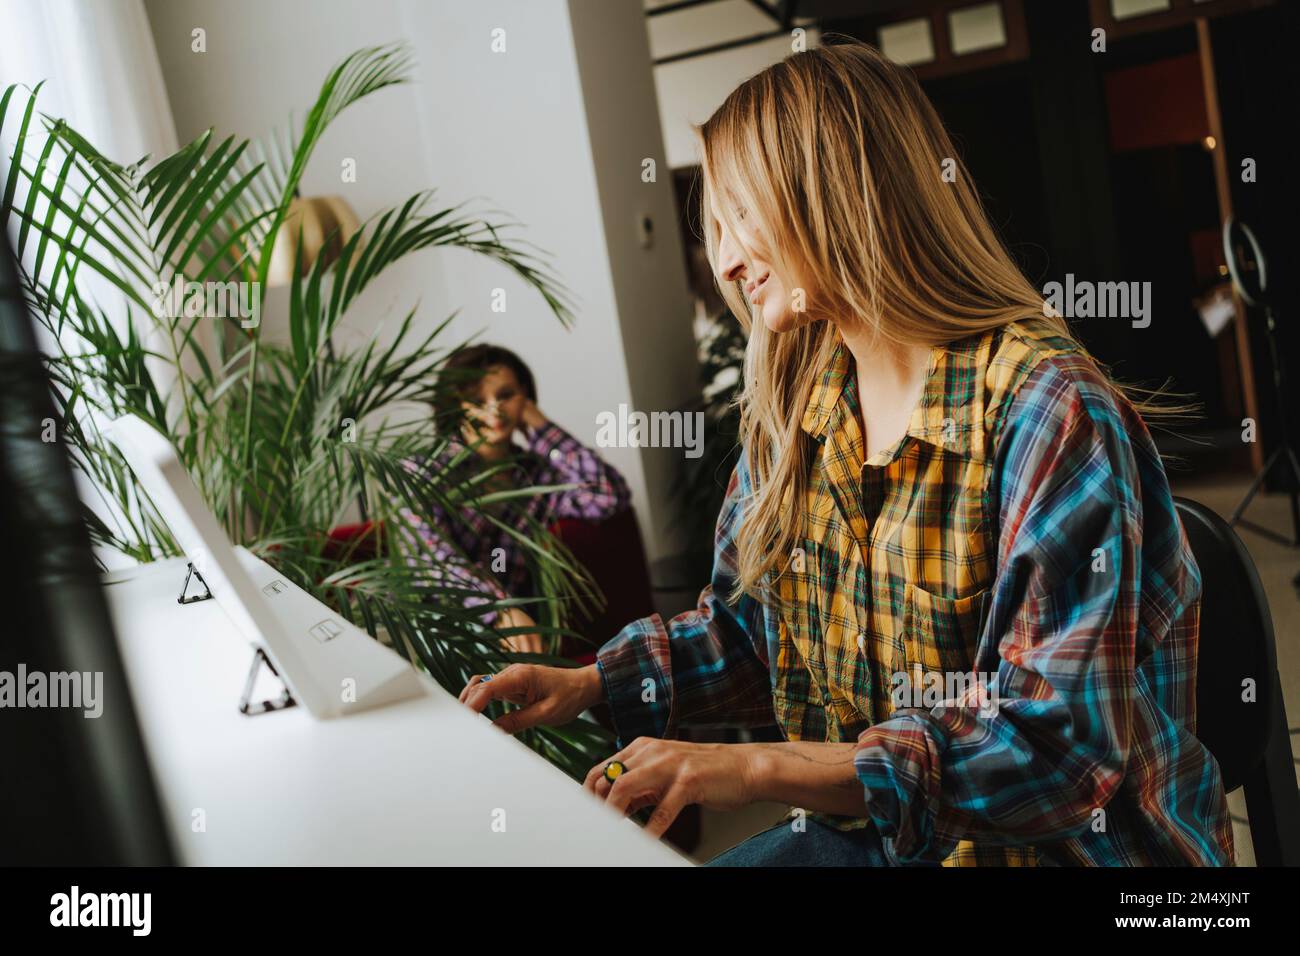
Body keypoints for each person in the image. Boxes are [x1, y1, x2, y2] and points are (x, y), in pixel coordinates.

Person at [458, 41, 1235, 867]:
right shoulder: (797, 410)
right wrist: (586, 685)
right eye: (715, 227)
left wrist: (759, 765)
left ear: (834, 194)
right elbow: (754, 636)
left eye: (740, 218)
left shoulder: (1047, 411)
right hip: (887, 844)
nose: (725, 261)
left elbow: (1055, 753)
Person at [401, 344, 631, 655]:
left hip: (525, 640)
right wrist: (499, 610)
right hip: (450, 637)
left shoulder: (537, 477)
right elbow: (436, 561)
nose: (494, 410)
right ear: (455, 407)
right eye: (477, 400)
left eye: (506, 394)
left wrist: (540, 425)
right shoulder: (422, 474)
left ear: (524, 397)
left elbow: (608, 495)